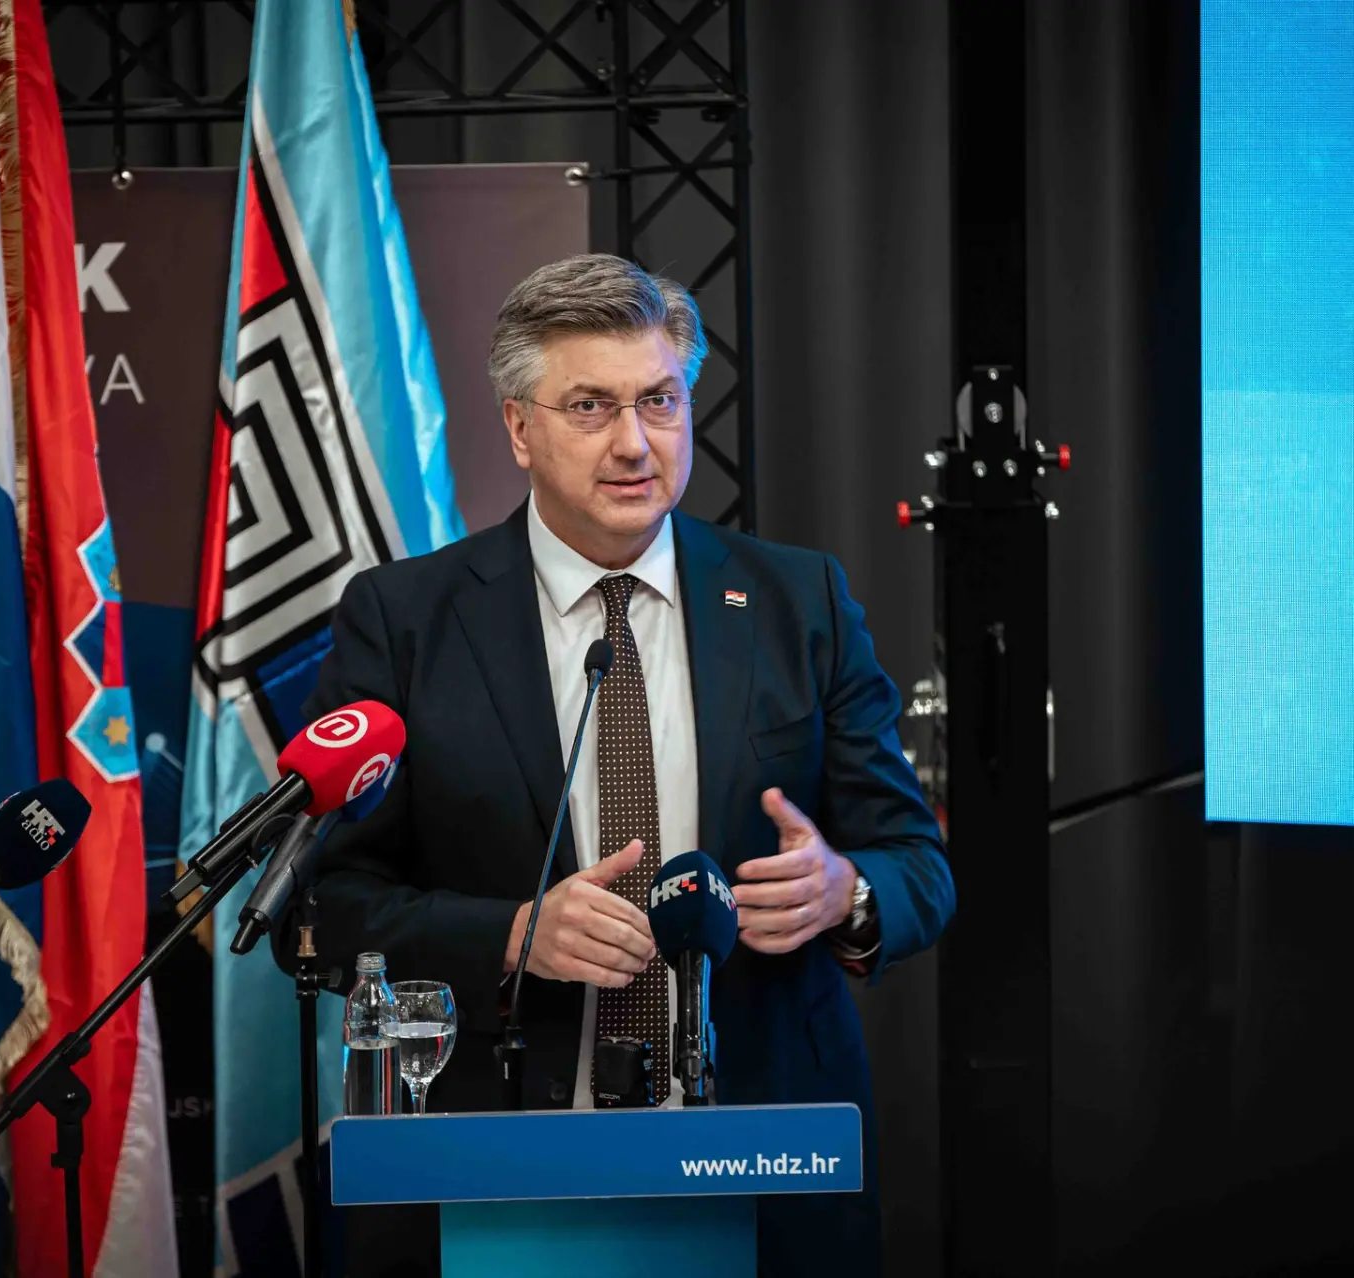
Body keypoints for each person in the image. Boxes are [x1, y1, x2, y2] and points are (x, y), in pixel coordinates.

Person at [305, 252, 954, 1274]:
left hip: (762, 1161)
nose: (633, 443)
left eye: (659, 401)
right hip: (497, 1170)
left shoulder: (799, 604)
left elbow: (917, 863)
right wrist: (513, 933)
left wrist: (845, 890)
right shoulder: (406, 620)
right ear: (519, 428)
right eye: (590, 407)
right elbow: (323, 906)